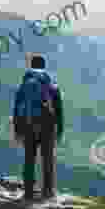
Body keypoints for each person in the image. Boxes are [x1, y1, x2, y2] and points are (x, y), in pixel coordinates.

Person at [11, 53, 64, 201]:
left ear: (31, 66)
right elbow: (59, 111)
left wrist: (17, 130)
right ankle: (47, 192)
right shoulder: (52, 86)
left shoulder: (23, 86)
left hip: (28, 125)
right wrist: (59, 130)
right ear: (44, 66)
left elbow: (16, 110)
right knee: (47, 159)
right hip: (47, 127)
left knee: (29, 158)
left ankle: (28, 191)